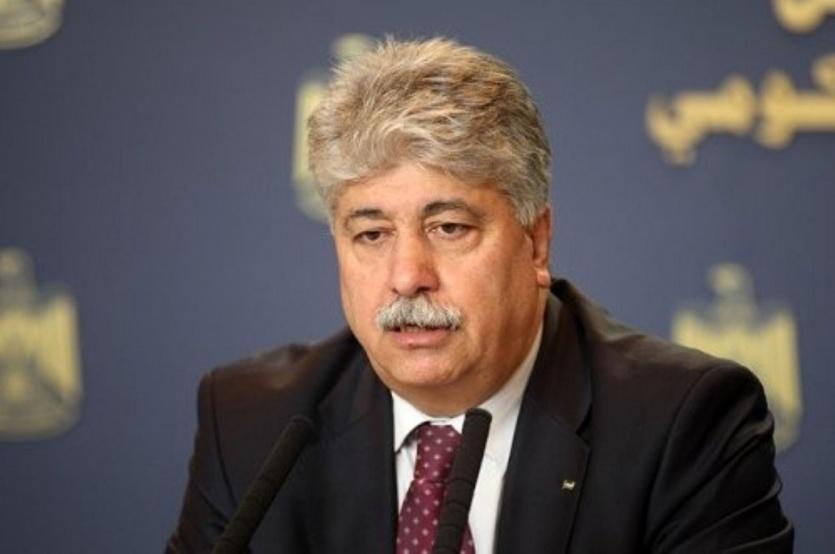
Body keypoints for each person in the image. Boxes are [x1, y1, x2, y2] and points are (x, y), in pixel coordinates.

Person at [167, 38, 793, 553]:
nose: (407, 275)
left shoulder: (683, 424)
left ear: (535, 242)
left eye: (449, 228)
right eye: (372, 234)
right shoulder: (253, 424)